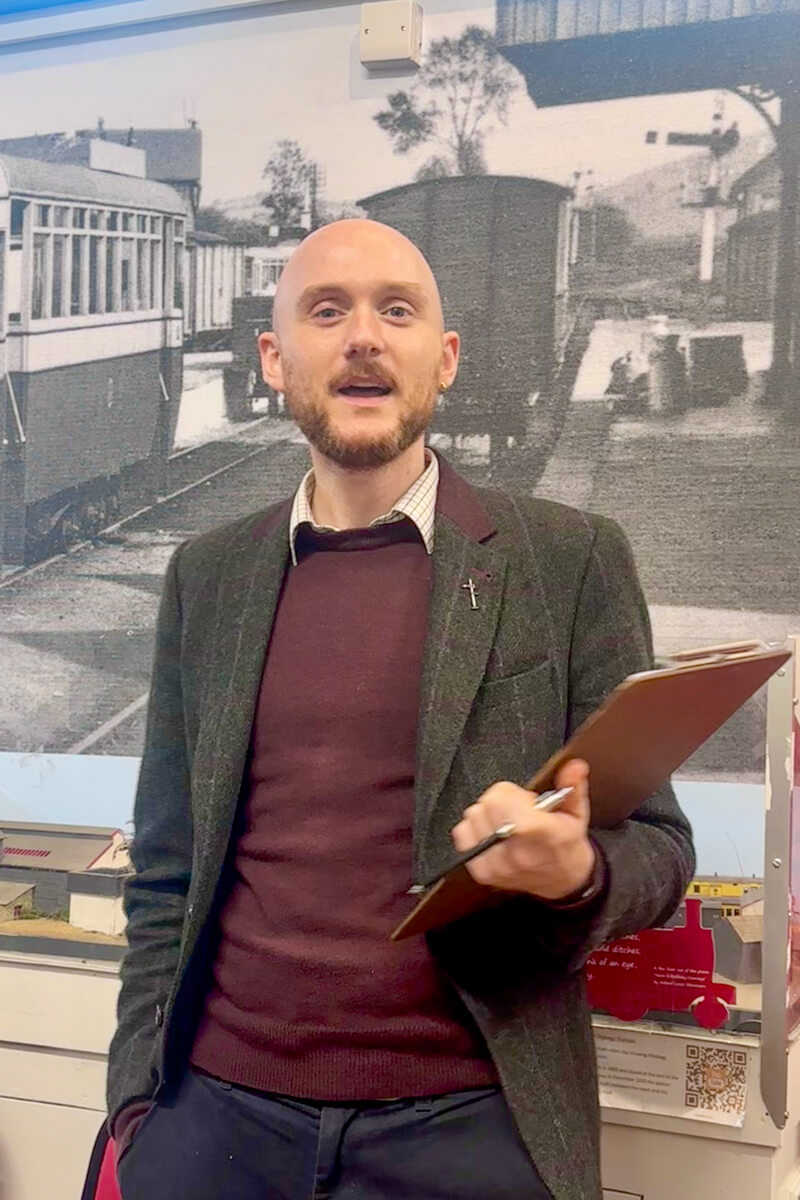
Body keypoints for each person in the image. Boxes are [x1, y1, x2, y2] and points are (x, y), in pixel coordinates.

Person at [106, 219, 695, 1200]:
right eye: (325, 311)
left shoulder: (566, 559)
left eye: (396, 310)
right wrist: (138, 1103)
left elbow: (660, 850)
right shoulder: (206, 578)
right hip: (211, 1125)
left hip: (465, 1128)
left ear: (444, 357)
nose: (362, 337)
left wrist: (577, 870)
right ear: (273, 356)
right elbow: (165, 866)